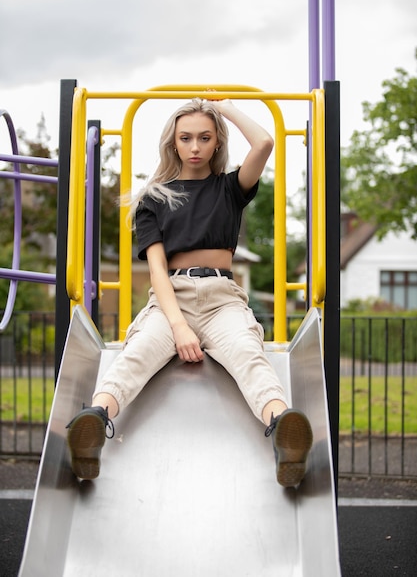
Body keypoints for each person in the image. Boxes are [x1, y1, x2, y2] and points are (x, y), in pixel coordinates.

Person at [66, 97, 313, 487]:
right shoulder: (154, 197)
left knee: (249, 355)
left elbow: (264, 143)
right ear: (173, 143)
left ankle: (284, 429)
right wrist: (179, 327)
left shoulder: (229, 188)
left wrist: (225, 106)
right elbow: (158, 272)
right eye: (186, 138)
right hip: (171, 298)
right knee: (139, 353)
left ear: (217, 142)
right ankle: (94, 423)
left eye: (204, 137)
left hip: (221, 298)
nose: (195, 147)